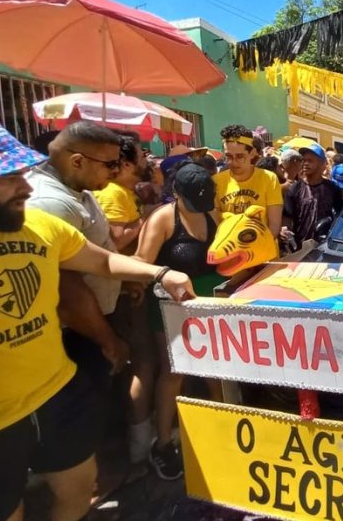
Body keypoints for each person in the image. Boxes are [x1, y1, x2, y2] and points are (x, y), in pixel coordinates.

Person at [0, 115, 193, 521]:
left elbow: (103, 261)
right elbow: (71, 294)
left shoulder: (38, 224)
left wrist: (161, 273)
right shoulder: (47, 204)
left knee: (78, 486)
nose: (26, 187)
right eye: (8, 178)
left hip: (56, 392)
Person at [26, 123, 159, 468]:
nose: (117, 171)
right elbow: (68, 291)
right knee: (81, 416)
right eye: (110, 164)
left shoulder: (80, 191)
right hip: (78, 332)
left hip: (95, 321)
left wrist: (124, 281)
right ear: (77, 161)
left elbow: (98, 256)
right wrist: (107, 339)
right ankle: (94, 481)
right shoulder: (51, 204)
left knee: (99, 403)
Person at [135, 162, 224, 481]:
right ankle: (162, 444)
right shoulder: (162, 218)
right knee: (174, 371)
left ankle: (224, 425)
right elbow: (141, 264)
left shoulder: (212, 213)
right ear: (176, 193)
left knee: (217, 367)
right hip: (170, 306)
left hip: (209, 303)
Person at [213, 124, 282, 238]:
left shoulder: (269, 179)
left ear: (252, 153)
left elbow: (274, 226)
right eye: (228, 156)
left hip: (264, 245)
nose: (233, 162)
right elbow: (216, 225)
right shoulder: (216, 181)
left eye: (240, 156)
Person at [92, 132, 149, 253]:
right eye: (142, 156)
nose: (147, 160)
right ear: (127, 164)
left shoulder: (125, 191)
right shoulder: (112, 194)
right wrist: (148, 216)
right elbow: (117, 242)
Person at [282, 141, 343, 245]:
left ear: (322, 164)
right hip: (300, 247)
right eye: (304, 160)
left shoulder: (332, 188)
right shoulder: (294, 189)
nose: (305, 163)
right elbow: (287, 218)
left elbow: (341, 216)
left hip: (325, 246)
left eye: (310, 161)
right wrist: (284, 231)